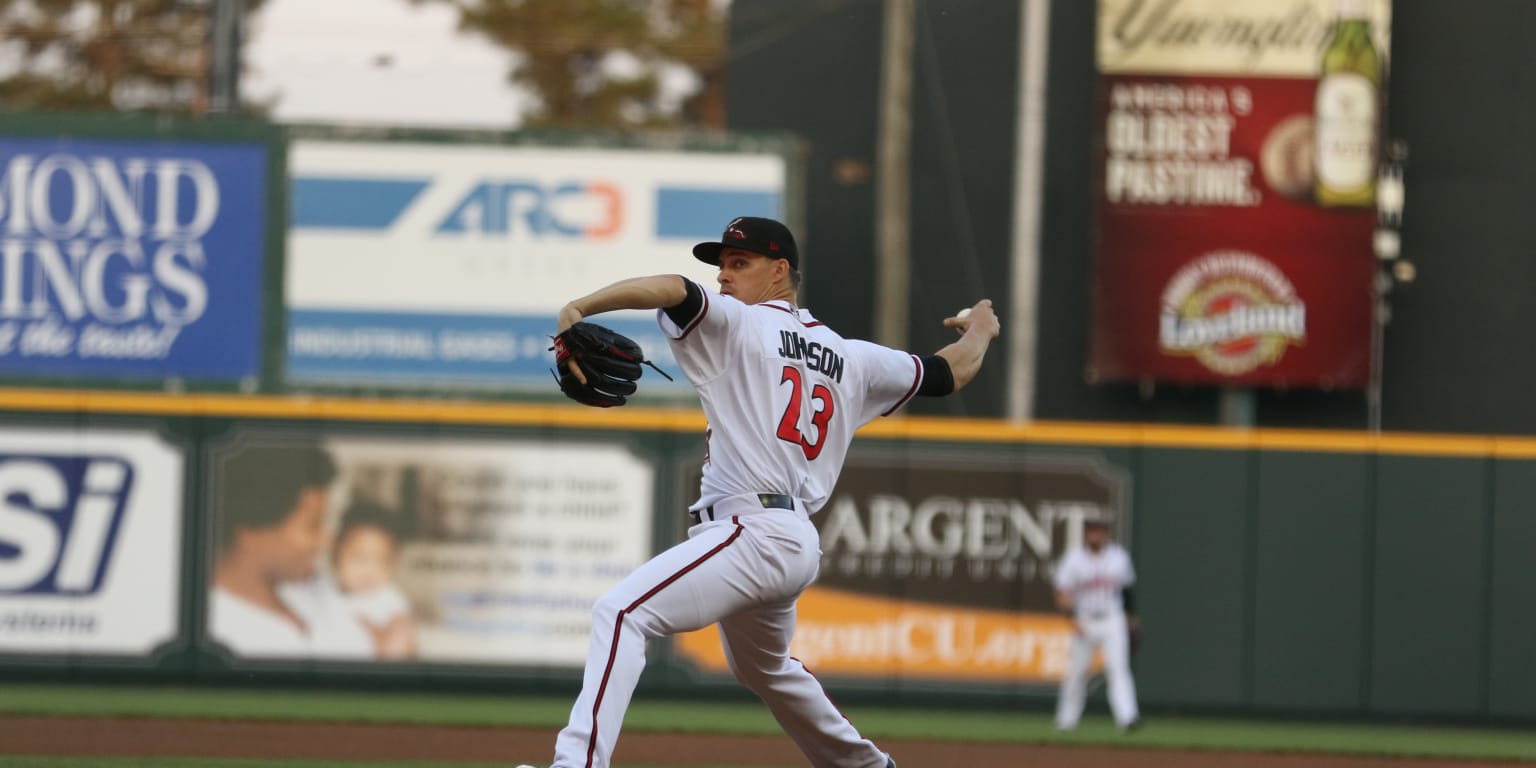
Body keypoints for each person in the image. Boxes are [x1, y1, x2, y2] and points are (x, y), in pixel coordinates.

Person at [518, 216, 1000, 768]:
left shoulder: (740, 326)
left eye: (739, 264)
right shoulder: (853, 357)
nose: (724, 277)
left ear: (780, 271)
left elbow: (674, 288)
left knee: (622, 612)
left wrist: (578, 307)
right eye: (721, 266)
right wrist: (980, 329)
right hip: (792, 542)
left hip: (753, 530)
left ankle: (576, 765)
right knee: (763, 667)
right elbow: (946, 372)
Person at [209, 441, 340, 658]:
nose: (325, 541)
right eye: (312, 526)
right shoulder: (217, 627)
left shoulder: (313, 591)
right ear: (251, 529)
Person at [280, 499, 418, 660]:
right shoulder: (319, 587)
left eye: (382, 561)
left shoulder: (389, 601)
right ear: (336, 554)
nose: (369, 571)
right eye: (358, 558)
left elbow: (400, 645)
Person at [1052, 517, 1141, 732]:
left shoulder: (1119, 557)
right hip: (1084, 619)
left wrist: (1131, 617)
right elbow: (1062, 593)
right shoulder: (1073, 560)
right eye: (1091, 531)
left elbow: (1128, 589)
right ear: (1085, 534)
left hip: (1113, 619)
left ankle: (1128, 718)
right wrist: (1073, 619)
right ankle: (1066, 721)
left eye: (1099, 531)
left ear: (1106, 533)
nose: (1095, 535)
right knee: (1076, 673)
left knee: (1118, 669)